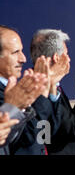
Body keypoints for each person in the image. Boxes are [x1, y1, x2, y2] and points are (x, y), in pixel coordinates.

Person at [0, 25, 58, 155]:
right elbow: (29, 137)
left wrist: (51, 88)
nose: (23, 59)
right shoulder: (15, 92)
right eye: (15, 52)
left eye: (22, 51)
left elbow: (47, 133)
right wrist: (42, 96)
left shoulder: (21, 89)